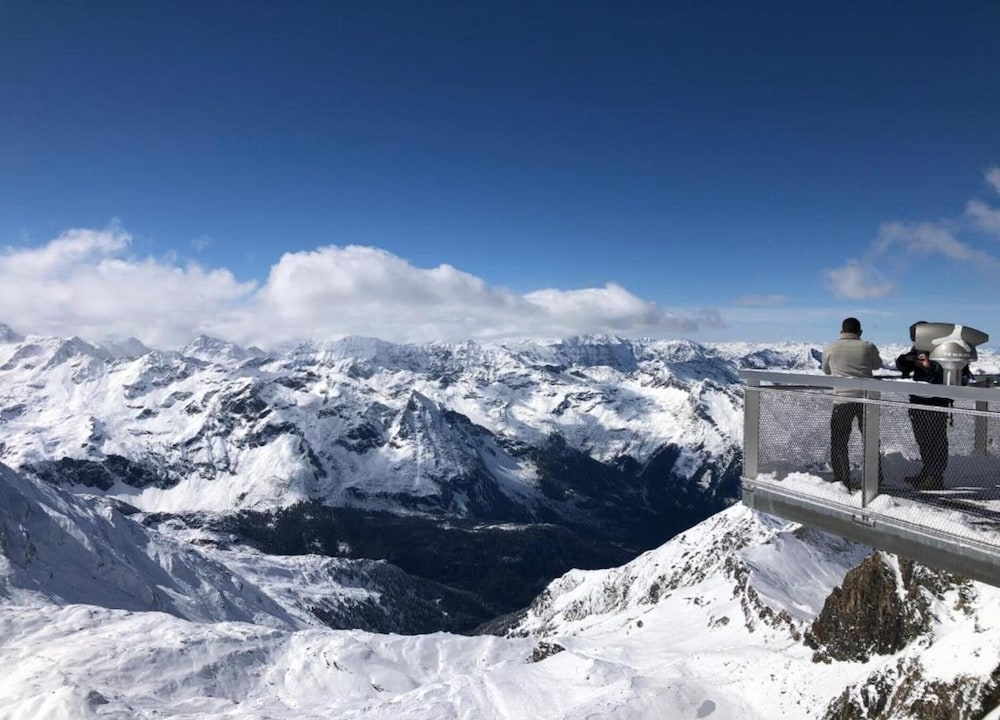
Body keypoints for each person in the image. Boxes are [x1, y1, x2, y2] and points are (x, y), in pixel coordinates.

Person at [822, 317, 882, 489]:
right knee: (870, 439)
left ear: (841, 331)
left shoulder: (830, 347)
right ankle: (875, 478)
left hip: (842, 399)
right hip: (867, 398)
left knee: (839, 441)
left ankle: (841, 479)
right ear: (860, 332)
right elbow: (877, 365)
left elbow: (826, 370)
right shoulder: (868, 347)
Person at [904, 352, 951, 490]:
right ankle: (927, 473)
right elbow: (901, 365)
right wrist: (908, 360)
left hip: (936, 403)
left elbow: (945, 376)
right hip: (917, 402)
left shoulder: (944, 352)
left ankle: (935, 477)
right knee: (923, 441)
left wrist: (929, 366)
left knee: (936, 441)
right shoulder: (917, 350)